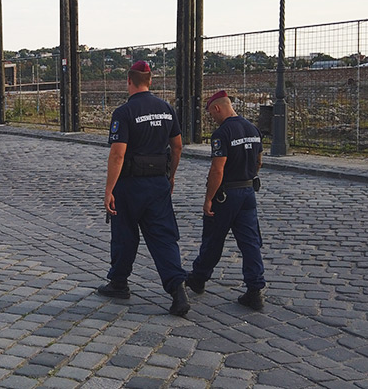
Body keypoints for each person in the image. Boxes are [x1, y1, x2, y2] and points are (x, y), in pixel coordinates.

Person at [98, 61, 190, 317]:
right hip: (158, 182)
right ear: (150, 81)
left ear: (129, 81)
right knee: (163, 236)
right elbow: (178, 146)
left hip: (129, 184)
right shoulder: (166, 109)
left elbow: (118, 155)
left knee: (125, 235)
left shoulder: (124, 112)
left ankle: (119, 282)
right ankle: (177, 289)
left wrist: (109, 189)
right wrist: (170, 176)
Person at [185, 90, 267, 311]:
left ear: (218, 108)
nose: (211, 117)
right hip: (248, 192)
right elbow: (259, 161)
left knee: (213, 238)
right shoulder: (253, 129)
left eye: (211, 113)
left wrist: (208, 199)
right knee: (250, 242)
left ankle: (199, 278)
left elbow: (217, 170)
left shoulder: (222, 133)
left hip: (226, 194)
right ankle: (255, 289)